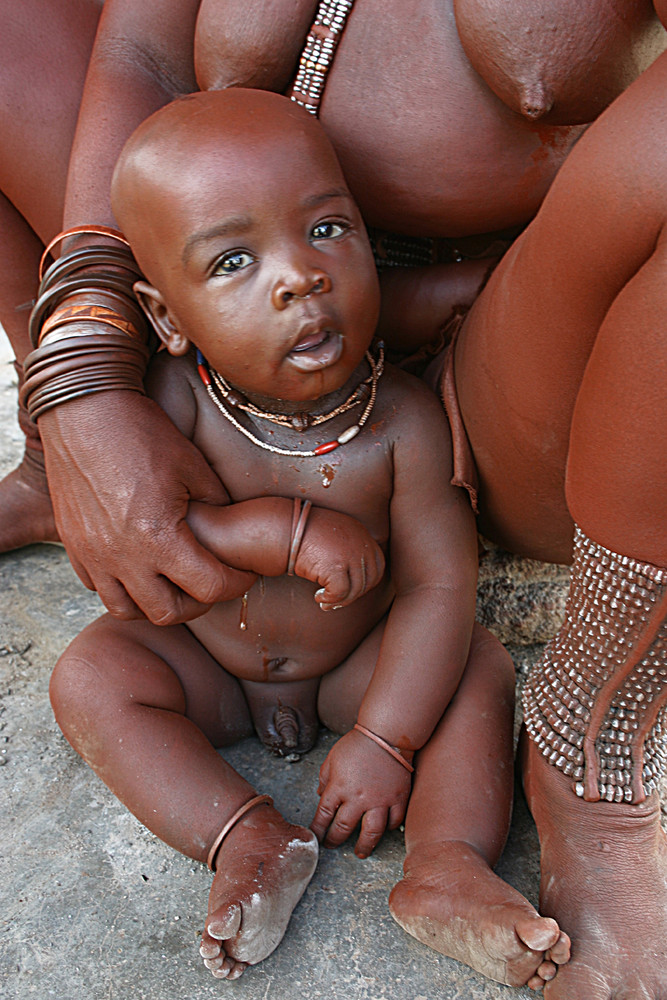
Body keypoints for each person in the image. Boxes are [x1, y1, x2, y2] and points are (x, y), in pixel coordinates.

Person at [2, 2, 667, 996]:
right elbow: (140, 49)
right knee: (96, 679)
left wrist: (384, 735)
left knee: (469, 673)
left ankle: (550, 776)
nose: (295, 280)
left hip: (501, 350)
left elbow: (437, 583)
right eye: (246, 263)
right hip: (211, 409)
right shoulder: (184, 370)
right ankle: (245, 831)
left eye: (325, 230)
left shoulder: (406, 431)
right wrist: (82, 386)